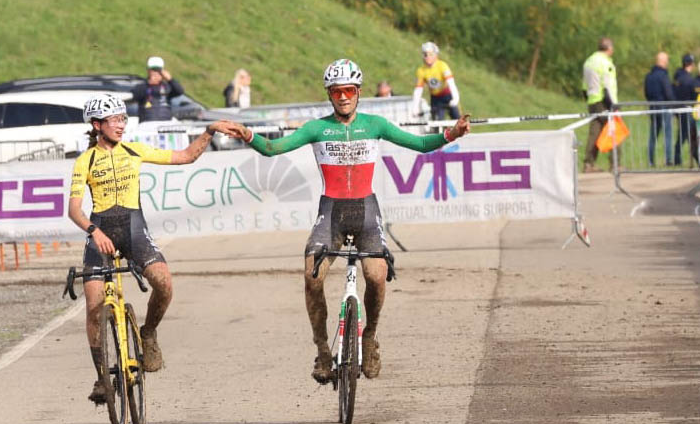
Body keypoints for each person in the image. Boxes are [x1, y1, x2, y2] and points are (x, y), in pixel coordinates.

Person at [223, 59, 471, 383]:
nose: (343, 97)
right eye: (336, 91)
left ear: (358, 92)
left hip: (366, 209)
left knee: (377, 276)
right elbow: (273, 148)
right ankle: (323, 350)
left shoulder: (375, 124)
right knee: (312, 277)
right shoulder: (317, 128)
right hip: (332, 212)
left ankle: (369, 337)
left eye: (348, 91)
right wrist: (247, 134)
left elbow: (421, 144)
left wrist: (452, 133)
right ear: (329, 95)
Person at [68, 93, 238, 403]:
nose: (121, 125)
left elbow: (185, 156)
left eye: (123, 119)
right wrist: (93, 232)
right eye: (114, 120)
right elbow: (75, 210)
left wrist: (209, 131)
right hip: (100, 234)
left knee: (164, 282)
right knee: (93, 308)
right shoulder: (85, 161)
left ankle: (148, 332)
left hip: (134, 229)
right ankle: (101, 378)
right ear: (97, 125)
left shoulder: (135, 150)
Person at [582, 37, 618, 172]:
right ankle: (615, 164)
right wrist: (614, 105)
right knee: (614, 130)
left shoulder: (589, 61)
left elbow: (584, 85)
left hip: (592, 101)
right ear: (609, 49)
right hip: (604, 101)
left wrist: (589, 98)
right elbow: (608, 85)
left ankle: (588, 163)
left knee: (594, 133)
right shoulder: (606, 63)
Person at [411, 41, 460, 121]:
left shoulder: (442, 65)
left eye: (430, 54)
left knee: (457, 119)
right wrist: (415, 107)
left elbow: (451, 83)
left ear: (436, 55)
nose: (427, 57)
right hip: (436, 98)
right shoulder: (421, 70)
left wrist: (455, 98)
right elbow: (418, 90)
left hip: (448, 95)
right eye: (425, 55)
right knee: (437, 122)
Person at [131, 56, 185, 122]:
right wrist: (148, 84)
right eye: (153, 70)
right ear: (148, 71)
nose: (155, 73)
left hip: (165, 123)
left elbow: (180, 91)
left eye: (158, 70)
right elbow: (135, 95)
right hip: (147, 123)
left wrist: (170, 79)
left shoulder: (167, 86)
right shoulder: (142, 86)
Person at [644, 51, 675, 167]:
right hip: (664, 107)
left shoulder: (649, 76)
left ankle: (650, 160)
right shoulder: (664, 76)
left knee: (653, 135)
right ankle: (668, 159)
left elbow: (646, 92)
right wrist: (674, 104)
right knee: (667, 134)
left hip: (653, 107)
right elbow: (668, 93)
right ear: (663, 61)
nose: (667, 62)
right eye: (666, 60)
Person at [673, 54, 696, 167]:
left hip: (678, 109)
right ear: (691, 64)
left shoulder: (677, 77)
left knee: (682, 135)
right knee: (688, 135)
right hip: (687, 109)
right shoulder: (689, 79)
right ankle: (695, 158)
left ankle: (678, 158)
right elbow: (692, 95)